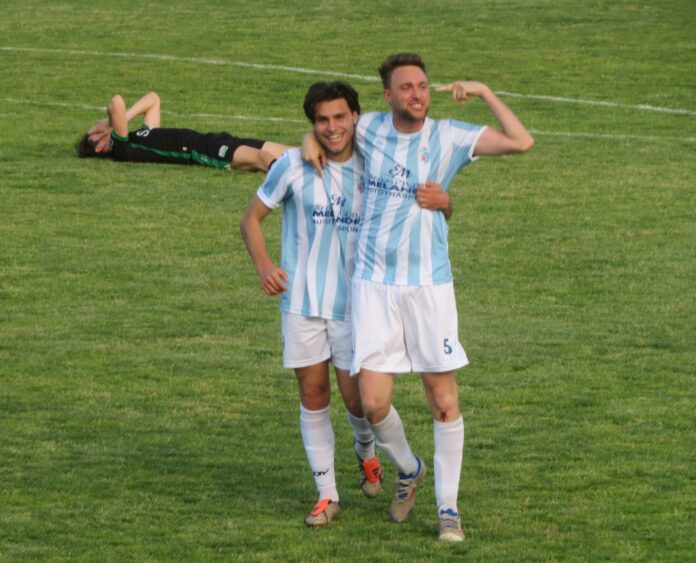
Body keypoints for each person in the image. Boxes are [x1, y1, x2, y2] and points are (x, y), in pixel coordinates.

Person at [303, 52, 533, 541]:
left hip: (429, 286)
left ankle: (448, 509)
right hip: (373, 285)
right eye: (406, 87)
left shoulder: (449, 136)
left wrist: (484, 91)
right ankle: (409, 468)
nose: (417, 94)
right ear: (388, 96)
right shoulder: (369, 129)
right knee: (372, 403)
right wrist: (309, 138)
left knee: (443, 399)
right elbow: (330, 130)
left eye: (423, 86)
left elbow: (521, 140)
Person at [240, 81, 452, 527]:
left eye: (340, 117)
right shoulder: (294, 166)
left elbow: (427, 203)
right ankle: (327, 495)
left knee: (359, 402)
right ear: (312, 124)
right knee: (313, 394)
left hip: (360, 303)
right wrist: (264, 267)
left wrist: (447, 203)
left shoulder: (376, 166)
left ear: (357, 117)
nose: (331, 127)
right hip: (302, 302)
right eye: (321, 121)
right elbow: (251, 219)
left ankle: (371, 452)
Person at [75, 91, 290, 172]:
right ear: (100, 147)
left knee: (291, 152)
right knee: (263, 158)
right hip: (204, 151)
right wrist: (111, 123)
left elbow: (153, 99)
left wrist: (114, 121)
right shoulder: (122, 149)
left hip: (214, 139)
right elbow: (117, 102)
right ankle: (293, 180)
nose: (100, 129)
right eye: (96, 133)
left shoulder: (138, 139)